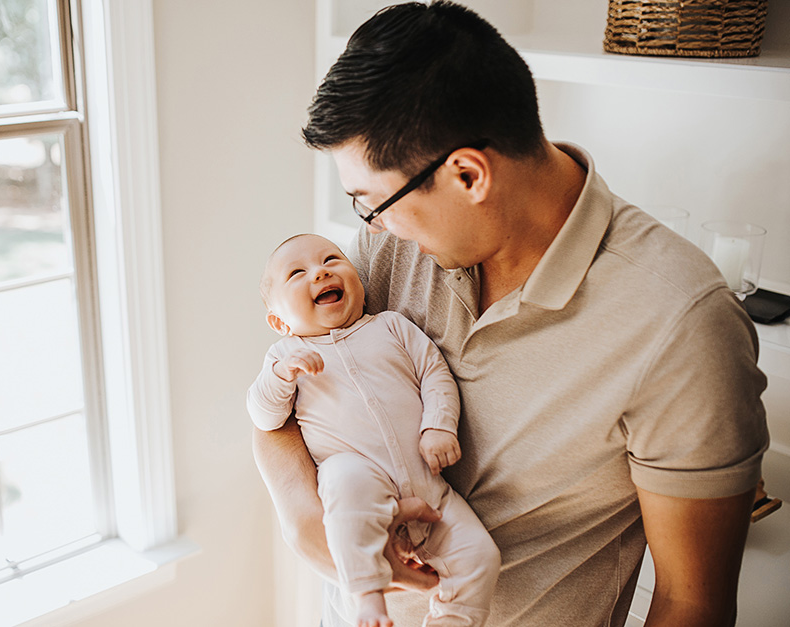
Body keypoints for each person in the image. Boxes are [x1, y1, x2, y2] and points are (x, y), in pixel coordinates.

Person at [251, 2, 769, 627]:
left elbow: (693, 603)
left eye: (371, 203)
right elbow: (289, 396)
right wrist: (302, 516)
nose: (372, 225)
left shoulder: (682, 323)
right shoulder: (390, 242)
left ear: (468, 175)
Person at [248, 233, 500, 627]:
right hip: (357, 481)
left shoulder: (392, 327)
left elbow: (434, 374)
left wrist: (438, 427)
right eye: (298, 273)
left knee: (481, 556)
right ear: (279, 322)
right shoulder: (284, 356)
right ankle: (367, 597)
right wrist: (281, 374)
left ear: (362, 285)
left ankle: (451, 620)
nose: (321, 271)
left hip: (430, 488)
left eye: (332, 259)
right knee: (345, 485)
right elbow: (265, 418)